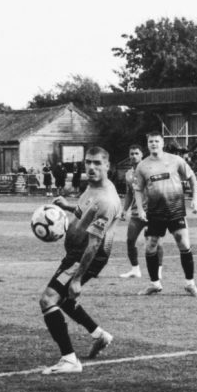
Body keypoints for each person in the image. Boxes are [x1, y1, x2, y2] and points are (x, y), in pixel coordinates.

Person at [39, 146, 121, 375]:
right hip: (77, 251)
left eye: (97, 163)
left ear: (107, 166)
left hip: (86, 255)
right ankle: (99, 335)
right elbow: (86, 211)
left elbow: (94, 245)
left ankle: (69, 360)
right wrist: (67, 207)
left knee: (48, 300)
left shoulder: (107, 200)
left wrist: (78, 278)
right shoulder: (92, 187)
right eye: (88, 163)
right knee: (64, 300)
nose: (92, 167)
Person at [131, 131, 197, 297]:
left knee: (183, 243)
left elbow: (192, 178)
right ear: (147, 144)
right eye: (150, 142)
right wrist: (140, 209)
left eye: (156, 141)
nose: (153, 144)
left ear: (162, 143)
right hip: (155, 213)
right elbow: (138, 190)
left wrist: (195, 198)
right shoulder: (142, 166)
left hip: (176, 210)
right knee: (150, 246)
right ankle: (154, 284)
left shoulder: (175, 160)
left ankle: (190, 284)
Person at [117, 144, 164, 280]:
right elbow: (129, 194)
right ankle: (135, 269)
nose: (133, 156)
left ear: (142, 155)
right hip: (136, 213)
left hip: (152, 213)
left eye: (136, 153)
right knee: (130, 241)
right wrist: (124, 209)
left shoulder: (151, 169)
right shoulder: (128, 174)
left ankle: (159, 270)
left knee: (156, 242)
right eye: (131, 154)